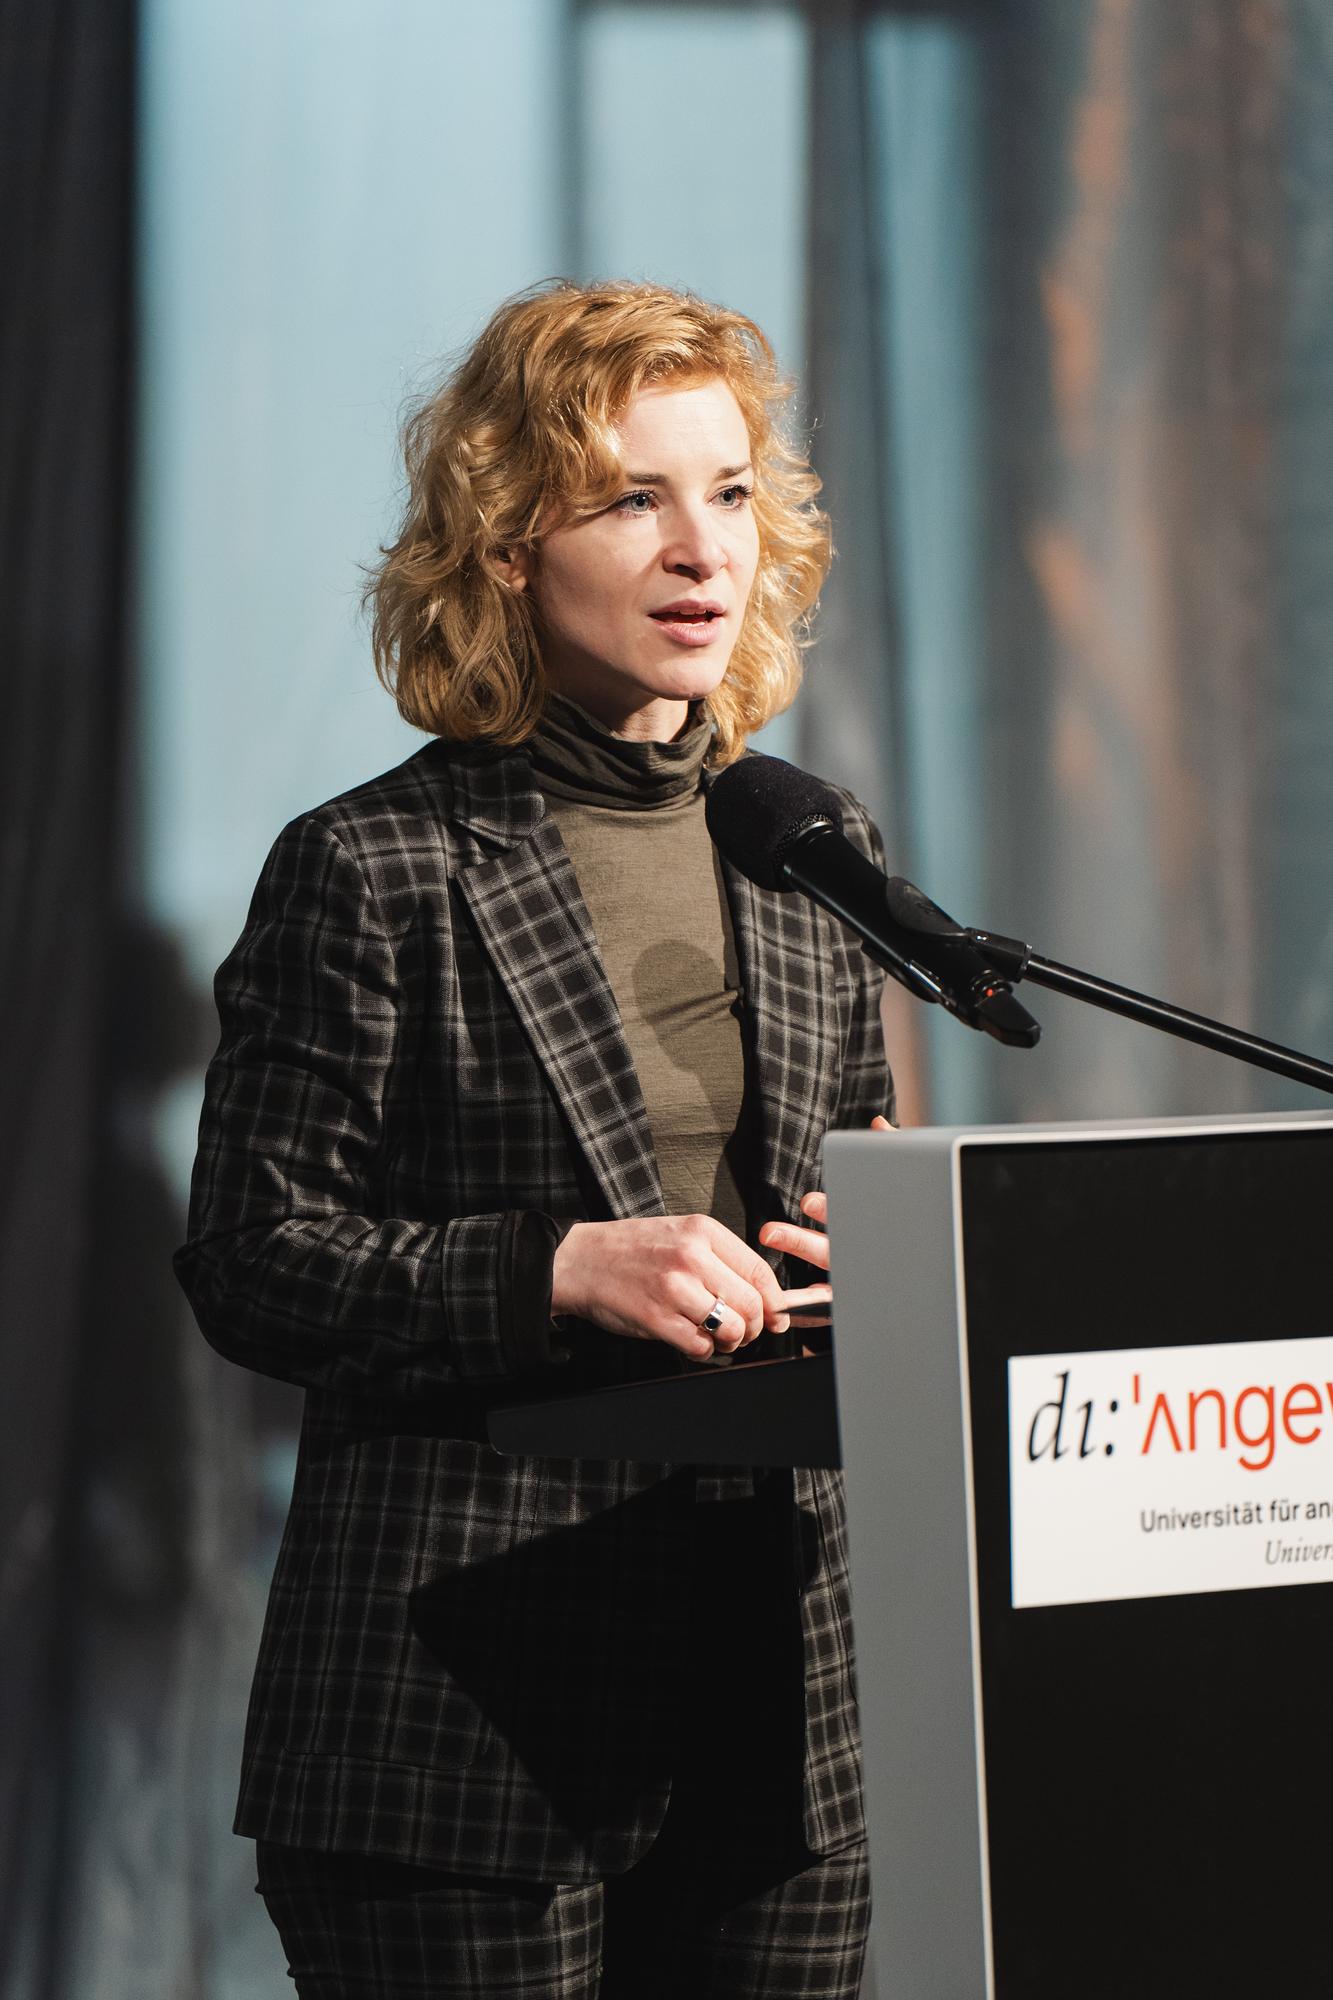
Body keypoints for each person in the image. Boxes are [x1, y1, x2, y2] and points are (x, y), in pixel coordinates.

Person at [176, 278, 894, 1998]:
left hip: (777, 1702)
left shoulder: (810, 849)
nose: (699, 548)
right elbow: (252, 1261)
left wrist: (886, 1256)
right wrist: (559, 1269)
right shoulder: (375, 866)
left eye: (729, 493)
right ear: (506, 547)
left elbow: (849, 1188)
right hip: (462, 1725)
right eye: (632, 499)